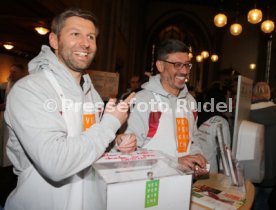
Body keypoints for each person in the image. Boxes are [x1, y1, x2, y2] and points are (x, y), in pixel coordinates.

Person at [4, 8, 136, 210]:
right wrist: (111, 123)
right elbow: (56, 164)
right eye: (75, 34)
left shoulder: (90, 91)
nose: (85, 43)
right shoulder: (30, 90)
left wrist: (115, 143)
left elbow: (90, 141)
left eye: (91, 37)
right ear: (54, 41)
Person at [116, 39, 208, 176]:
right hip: (151, 184)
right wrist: (175, 162)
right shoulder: (143, 100)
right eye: (177, 65)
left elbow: (193, 138)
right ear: (160, 66)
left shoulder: (191, 101)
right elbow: (130, 153)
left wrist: (197, 155)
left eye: (187, 65)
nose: (184, 71)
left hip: (184, 183)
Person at [249, 81, 276, 210]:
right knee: (264, 201)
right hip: (272, 171)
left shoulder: (246, 112)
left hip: (250, 170)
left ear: (253, 94)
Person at [196, 84, 231, 173]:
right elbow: (225, 152)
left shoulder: (198, 116)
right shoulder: (221, 122)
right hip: (211, 170)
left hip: (197, 165)